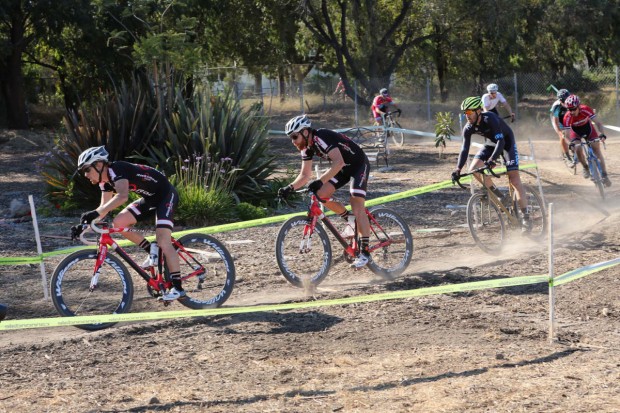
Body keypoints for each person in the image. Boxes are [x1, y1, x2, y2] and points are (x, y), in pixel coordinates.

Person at [76, 146, 184, 301]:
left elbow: (122, 196)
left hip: (166, 195)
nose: (85, 175)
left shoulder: (117, 169)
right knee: (119, 222)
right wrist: (84, 225)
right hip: (150, 199)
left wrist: (95, 214)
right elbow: (103, 210)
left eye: (87, 169)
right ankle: (151, 248)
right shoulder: (105, 182)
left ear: (99, 165)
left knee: (163, 240)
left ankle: (178, 288)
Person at [278, 115, 372, 268]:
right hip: (342, 169)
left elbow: (338, 162)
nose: (293, 141)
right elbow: (304, 175)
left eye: (295, 136)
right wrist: (290, 187)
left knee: (356, 202)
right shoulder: (306, 148)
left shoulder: (321, 137)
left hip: (358, 165)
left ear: (305, 132)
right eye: (291, 138)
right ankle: (349, 218)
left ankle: (365, 252)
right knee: (320, 194)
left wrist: (320, 180)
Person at [452, 97, 532, 232]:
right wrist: (458, 169)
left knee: (514, 179)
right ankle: (501, 197)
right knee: (474, 170)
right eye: (465, 113)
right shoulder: (468, 127)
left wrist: (492, 160)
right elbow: (464, 149)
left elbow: (501, 143)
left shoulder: (490, 118)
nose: (467, 116)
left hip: (506, 143)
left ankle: (526, 217)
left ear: (478, 111)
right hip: (491, 144)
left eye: (469, 112)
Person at [562, 94, 611, 186]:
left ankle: (604, 175)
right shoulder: (567, 116)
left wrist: (602, 134)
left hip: (588, 128)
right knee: (578, 148)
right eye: (569, 109)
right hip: (575, 131)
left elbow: (598, 123)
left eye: (573, 109)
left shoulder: (585, 109)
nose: (571, 111)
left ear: (579, 106)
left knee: (597, 150)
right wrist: (571, 143)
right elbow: (567, 135)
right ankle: (585, 167)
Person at [550, 88, 573, 166]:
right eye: (564, 101)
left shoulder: (572, 101)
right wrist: (560, 132)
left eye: (567, 99)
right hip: (557, 120)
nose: (566, 102)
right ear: (560, 101)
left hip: (567, 118)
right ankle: (567, 157)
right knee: (563, 136)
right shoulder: (557, 107)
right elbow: (556, 122)